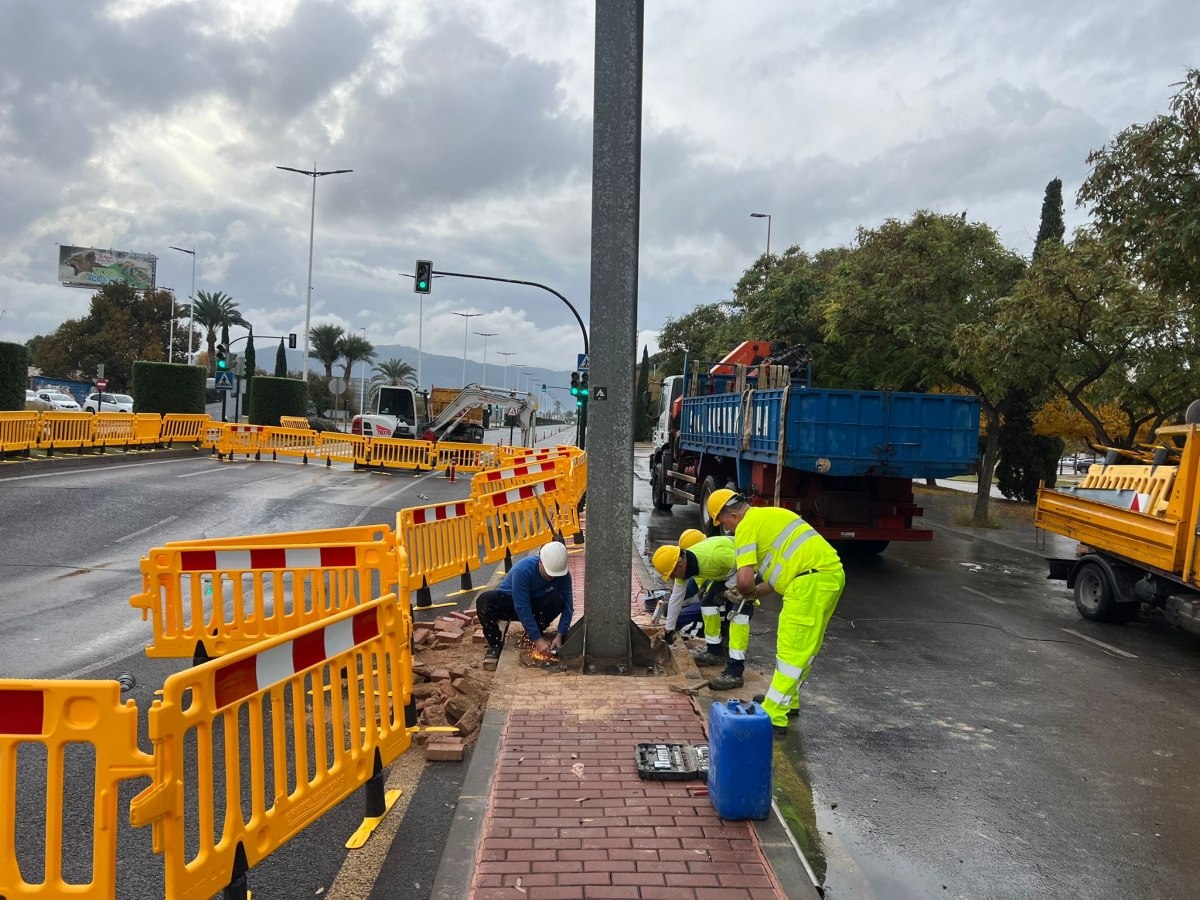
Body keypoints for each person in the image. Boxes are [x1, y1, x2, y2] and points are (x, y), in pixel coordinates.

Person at [707, 488, 844, 737]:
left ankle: (774, 713)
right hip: (829, 578)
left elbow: (745, 580)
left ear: (733, 516)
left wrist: (742, 592)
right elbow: (776, 578)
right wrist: (751, 594)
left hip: (807, 585)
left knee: (791, 649)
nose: (727, 529)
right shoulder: (772, 516)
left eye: (724, 523)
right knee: (806, 647)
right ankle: (787, 699)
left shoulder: (746, 526)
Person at [652, 529, 771, 691]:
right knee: (708, 604)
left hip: (749, 570)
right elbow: (676, 598)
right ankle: (715, 652)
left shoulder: (713, 555)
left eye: (671, 574)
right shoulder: (684, 568)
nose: (672, 578)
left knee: (738, 616)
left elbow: (746, 565)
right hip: (729, 573)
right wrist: (669, 630)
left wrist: (727, 587)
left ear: (680, 565)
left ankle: (735, 672)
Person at [476, 541, 573, 661]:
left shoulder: (563, 575)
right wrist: (537, 639)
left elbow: (568, 606)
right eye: (549, 573)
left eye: (555, 575)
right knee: (485, 601)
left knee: (558, 599)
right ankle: (494, 643)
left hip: (535, 606)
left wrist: (560, 635)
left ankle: (532, 633)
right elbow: (522, 607)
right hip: (512, 604)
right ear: (541, 562)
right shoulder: (523, 570)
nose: (552, 577)